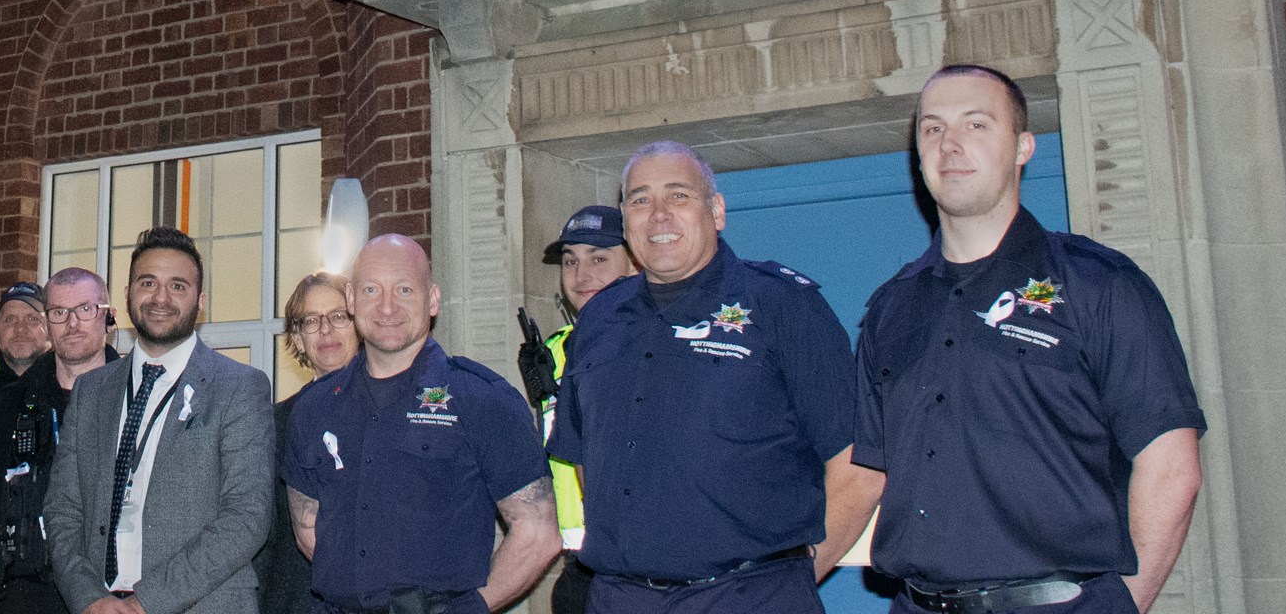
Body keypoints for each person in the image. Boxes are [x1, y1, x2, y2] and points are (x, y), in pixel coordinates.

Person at [854, 64, 1204, 614]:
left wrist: (1115, 606)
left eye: (975, 125)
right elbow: (868, 475)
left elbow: (1172, 468)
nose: (950, 145)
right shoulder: (890, 309)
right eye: (932, 128)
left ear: (1022, 147)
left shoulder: (1099, 284)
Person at [545, 142, 875, 614]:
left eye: (678, 196)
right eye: (640, 200)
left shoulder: (782, 306)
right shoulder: (598, 322)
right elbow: (587, 462)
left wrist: (790, 581)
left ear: (716, 210)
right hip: (619, 598)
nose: (658, 215)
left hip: (750, 597)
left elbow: (859, 467)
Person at [284, 235, 559, 614]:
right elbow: (308, 528)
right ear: (351, 300)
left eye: (404, 290)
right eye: (370, 290)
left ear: (432, 299)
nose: (386, 306)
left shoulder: (481, 398)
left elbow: (539, 531)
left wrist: (469, 609)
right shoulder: (314, 409)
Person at [48, 227, 274, 614]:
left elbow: (247, 516)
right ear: (127, 294)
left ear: (200, 301)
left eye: (178, 286)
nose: (160, 298)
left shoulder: (240, 387)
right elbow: (62, 508)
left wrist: (145, 603)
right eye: (148, 282)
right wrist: (89, 598)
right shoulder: (90, 391)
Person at [0, 270, 123, 614]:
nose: (72, 323)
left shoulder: (138, 396)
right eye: (59, 312)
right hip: (30, 593)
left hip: (119, 595)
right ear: (49, 322)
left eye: (85, 309)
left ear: (108, 316)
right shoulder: (9, 405)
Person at [515, 206, 640, 614]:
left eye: (599, 259)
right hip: (580, 567)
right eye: (571, 261)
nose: (581, 276)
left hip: (644, 568)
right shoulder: (554, 350)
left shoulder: (658, 343)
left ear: (637, 264)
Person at [256, 272, 354, 614]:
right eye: (311, 321)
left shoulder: (394, 414)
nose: (326, 330)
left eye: (339, 317)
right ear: (297, 339)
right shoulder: (271, 425)